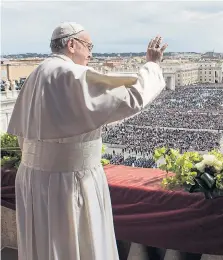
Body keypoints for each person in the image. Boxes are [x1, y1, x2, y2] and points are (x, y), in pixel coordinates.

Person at [7, 22, 168, 260]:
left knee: (41, 244)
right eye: (89, 46)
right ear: (72, 44)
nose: (91, 54)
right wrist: (152, 65)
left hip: (32, 177)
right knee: (77, 243)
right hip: (69, 180)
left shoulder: (36, 73)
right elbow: (132, 97)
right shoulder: (71, 74)